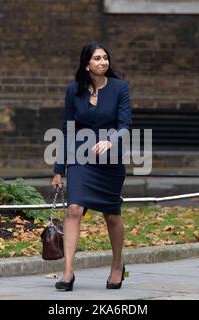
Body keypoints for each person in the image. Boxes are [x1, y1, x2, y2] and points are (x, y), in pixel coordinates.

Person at [51, 42, 132, 291]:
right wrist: (58, 168)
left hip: (110, 160)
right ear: (87, 64)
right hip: (80, 157)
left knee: (111, 215)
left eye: (106, 58)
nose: (103, 62)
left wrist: (110, 141)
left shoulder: (119, 88)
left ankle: (117, 266)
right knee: (74, 209)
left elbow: (125, 125)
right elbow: (67, 129)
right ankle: (67, 274)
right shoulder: (73, 91)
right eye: (97, 58)